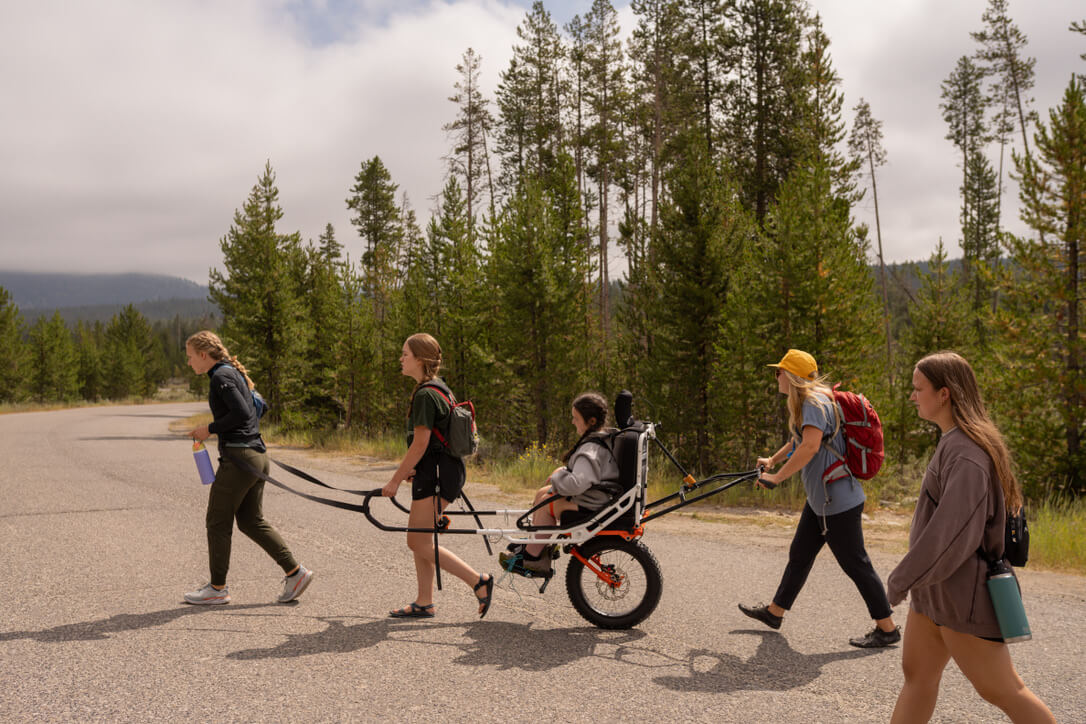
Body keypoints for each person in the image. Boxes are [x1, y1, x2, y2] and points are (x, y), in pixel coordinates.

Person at [885, 352, 1055, 723]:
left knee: (1004, 691)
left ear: (944, 393)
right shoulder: (954, 441)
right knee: (918, 678)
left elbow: (951, 535)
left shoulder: (966, 453)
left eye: (919, 389)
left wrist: (900, 580)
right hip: (934, 592)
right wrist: (915, 584)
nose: (913, 396)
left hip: (963, 596)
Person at [738, 349, 900, 648]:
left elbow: (810, 447)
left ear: (791, 376)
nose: (776, 376)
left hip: (835, 502)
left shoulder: (813, 402)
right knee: (800, 555)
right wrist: (772, 461)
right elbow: (797, 440)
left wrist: (776, 478)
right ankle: (775, 612)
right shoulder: (816, 400)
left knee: (856, 564)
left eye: (779, 371)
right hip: (822, 500)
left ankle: (887, 628)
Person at [183, 331, 313, 605]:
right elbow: (256, 410)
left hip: (240, 458)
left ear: (204, 355)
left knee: (217, 521)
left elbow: (242, 413)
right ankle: (295, 572)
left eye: (190, 356)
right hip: (256, 454)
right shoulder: (231, 373)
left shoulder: (221, 376)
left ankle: (217, 588)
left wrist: (209, 429)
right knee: (250, 520)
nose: (189, 362)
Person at [382, 333, 493, 619]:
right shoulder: (437, 388)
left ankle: (478, 581)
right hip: (439, 472)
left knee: (416, 540)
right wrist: (411, 471)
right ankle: (424, 601)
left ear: (420, 359)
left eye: (405, 354)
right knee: (422, 536)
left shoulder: (425, 394)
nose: (401, 359)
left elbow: (421, 442)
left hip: (438, 476)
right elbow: (431, 444)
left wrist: (394, 480)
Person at [498, 392, 621, 575]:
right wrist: (561, 473)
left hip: (592, 502)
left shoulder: (590, 449)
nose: (573, 422)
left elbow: (576, 483)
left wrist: (558, 476)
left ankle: (532, 559)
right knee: (543, 493)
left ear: (592, 421)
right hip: (596, 496)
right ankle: (537, 542)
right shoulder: (600, 439)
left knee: (546, 503)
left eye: (576, 418)